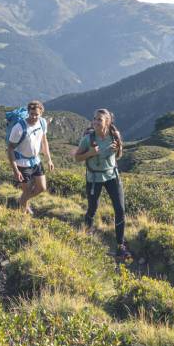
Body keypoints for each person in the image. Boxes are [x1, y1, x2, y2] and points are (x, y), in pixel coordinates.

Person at [74, 108, 128, 258]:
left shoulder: (114, 136)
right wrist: (90, 153)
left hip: (112, 175)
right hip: (94, 178)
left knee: (120, 210)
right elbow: (77, 158)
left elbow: (119, 154)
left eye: (100, 119)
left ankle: (120, 245)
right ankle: (86, 236)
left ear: (107, 122)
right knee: (92, 208)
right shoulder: (88, 139)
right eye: (95, 119)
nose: (96, 122)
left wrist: (118, 149)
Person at [7, 100, 54, 213]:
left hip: (36, 161)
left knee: (42, 187)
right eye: (31, 114)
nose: (33, 117)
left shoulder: (42, 123)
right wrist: (15, 170)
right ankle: (23, 213)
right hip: (22, 163)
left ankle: (22, 201)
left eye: (36, 114)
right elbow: (10, 149)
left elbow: (44, 141)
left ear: (41, 113)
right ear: (28, 112)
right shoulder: (19, 128)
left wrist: (49, 160)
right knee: (27, 191)